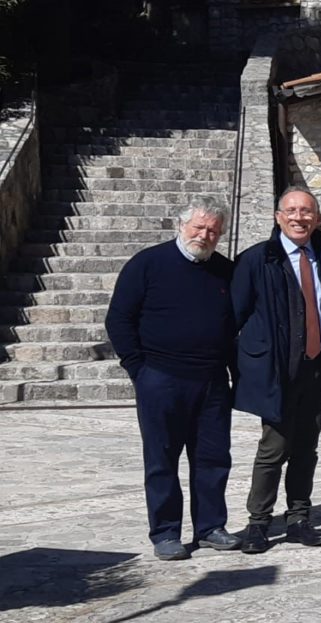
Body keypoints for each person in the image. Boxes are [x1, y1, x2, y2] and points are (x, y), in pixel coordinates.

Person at [105, 196, 240, 561]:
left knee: (213, 458)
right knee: (162, 460)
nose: (204, 235)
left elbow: (233, 326)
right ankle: (165, 533)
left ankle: (210, 527)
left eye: (213, 231)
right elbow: (119, 318)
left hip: (211, 381)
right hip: (161, 378)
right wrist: (138, 369)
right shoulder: (147, 264)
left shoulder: (225, 271)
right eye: (199, 227)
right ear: (181, 225)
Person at [232, 186, 321, 553]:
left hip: (317, 368)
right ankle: (258, 522)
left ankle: (298, 518)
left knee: (307, 449)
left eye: (306, 211)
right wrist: (249, 366)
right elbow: (235, 318)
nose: (299, 217)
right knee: (273, 449)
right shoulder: (257, 260)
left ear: (317, 218)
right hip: (278, 371)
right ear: (278, 217)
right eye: (291, 211)